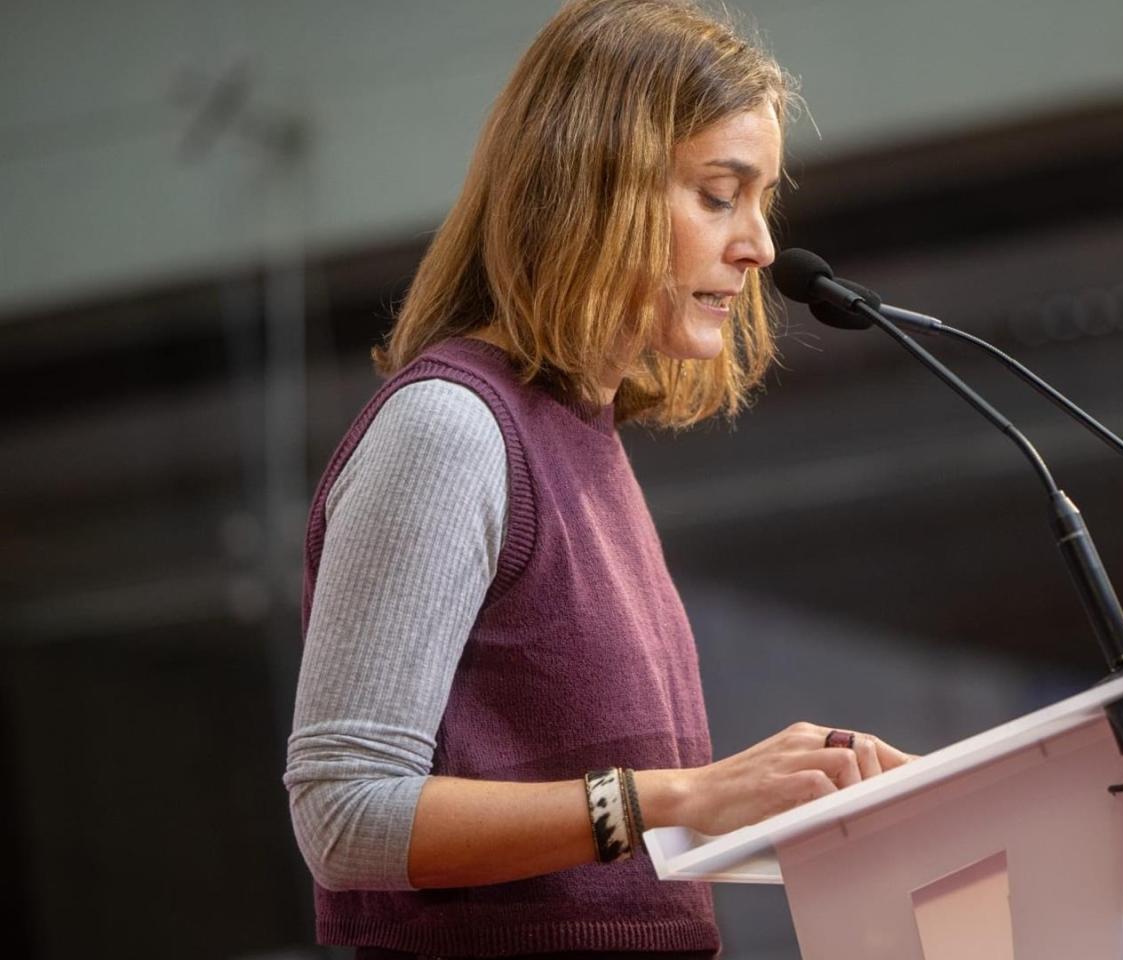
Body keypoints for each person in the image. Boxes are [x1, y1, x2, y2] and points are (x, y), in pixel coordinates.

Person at [281, 2, 912, 956]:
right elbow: (343, 814)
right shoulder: (450, 426)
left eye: (761, 199)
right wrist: (682, 794)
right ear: (596, 190)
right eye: (717, 194)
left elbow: (601, 860)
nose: (761, 246)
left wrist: (793, 797)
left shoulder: (581, 436)